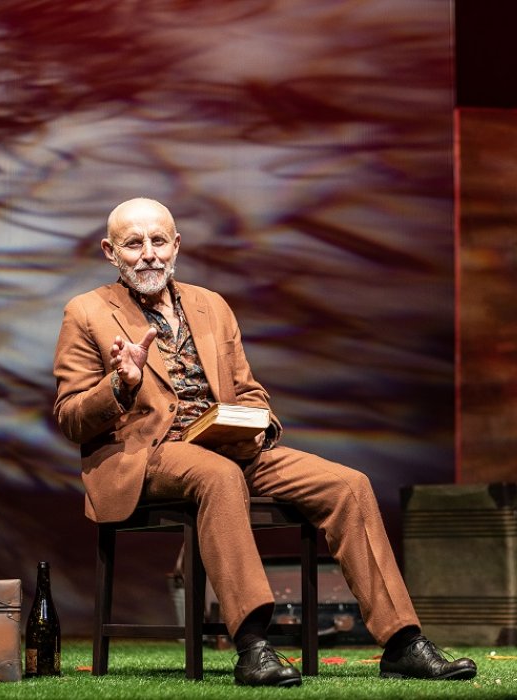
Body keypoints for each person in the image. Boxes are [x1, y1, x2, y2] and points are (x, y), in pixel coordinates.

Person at [53, 197, 477, 687]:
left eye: (158, 241)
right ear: (110, 251)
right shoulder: (86, 312)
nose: (149, 253)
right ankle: (253, 645)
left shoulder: (211, 305)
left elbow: (250, 391)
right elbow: (70, 417)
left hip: (229, 447)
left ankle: (402, 642)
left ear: (176, 245)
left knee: (348, 485)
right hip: (147, 456)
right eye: (133, 243)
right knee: (217, 476)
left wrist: (258, 425)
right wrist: (120, 385)